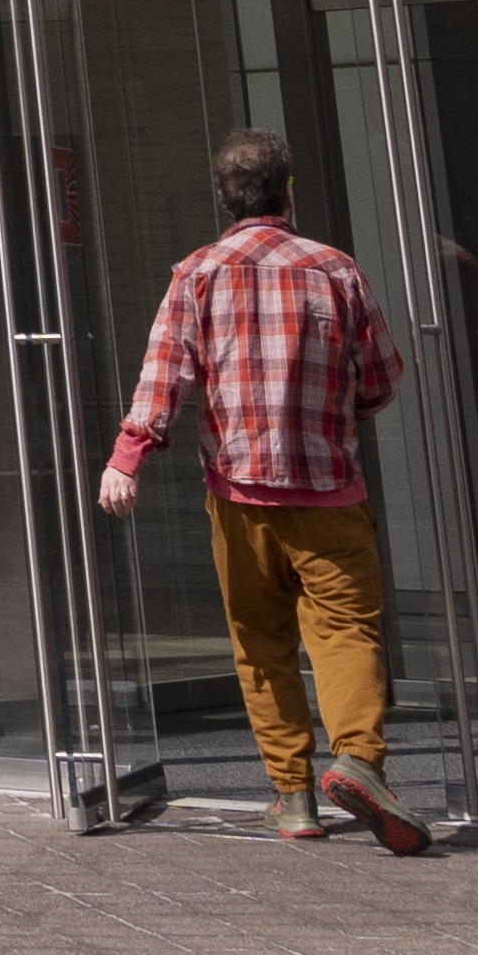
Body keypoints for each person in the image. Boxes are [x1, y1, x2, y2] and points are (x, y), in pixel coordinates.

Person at [102, 125, 427, 853]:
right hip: (330, 492)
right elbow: (380, 379)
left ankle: (293, 798)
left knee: (261, 643)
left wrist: (128, 457)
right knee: (345, 634)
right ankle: (357, 762)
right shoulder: (333, 269)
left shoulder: (196, 272)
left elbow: (165, 379)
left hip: (238, 496)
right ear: (288, 191)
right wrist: (338, 409)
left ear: (225, 198)